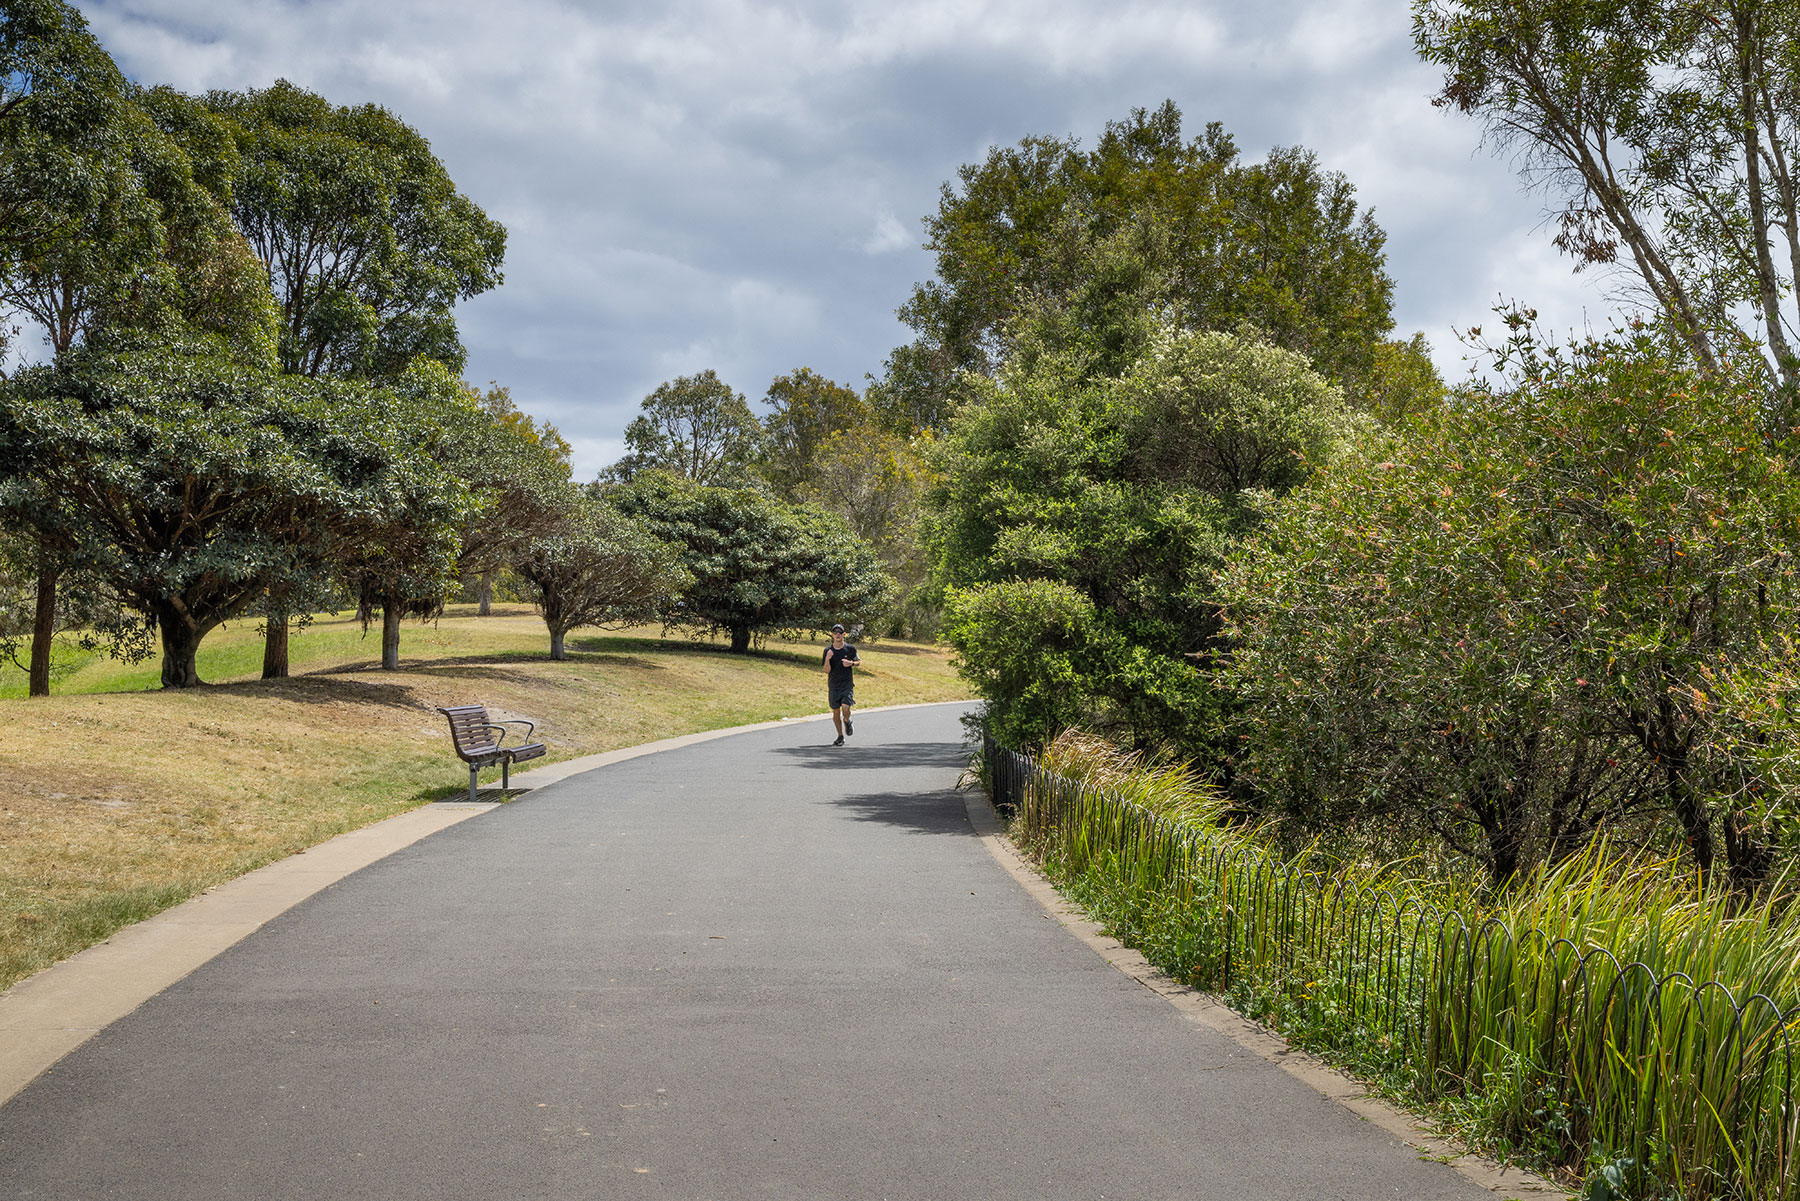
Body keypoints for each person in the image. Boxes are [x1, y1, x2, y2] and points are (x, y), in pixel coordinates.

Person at [822, 622, 859, 746]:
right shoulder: (828, 650)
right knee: (836, 712)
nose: (837, 635)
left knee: (845, 708)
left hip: (847, 684)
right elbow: (826, 670)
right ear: (832, 635)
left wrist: (851, 663)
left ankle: (847, 721)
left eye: (840, 632)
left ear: (844, 634)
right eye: (835, 632)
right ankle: (840, 736)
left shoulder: (850, 649)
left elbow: (858, 661)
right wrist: (827, 659)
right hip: (833, 685)